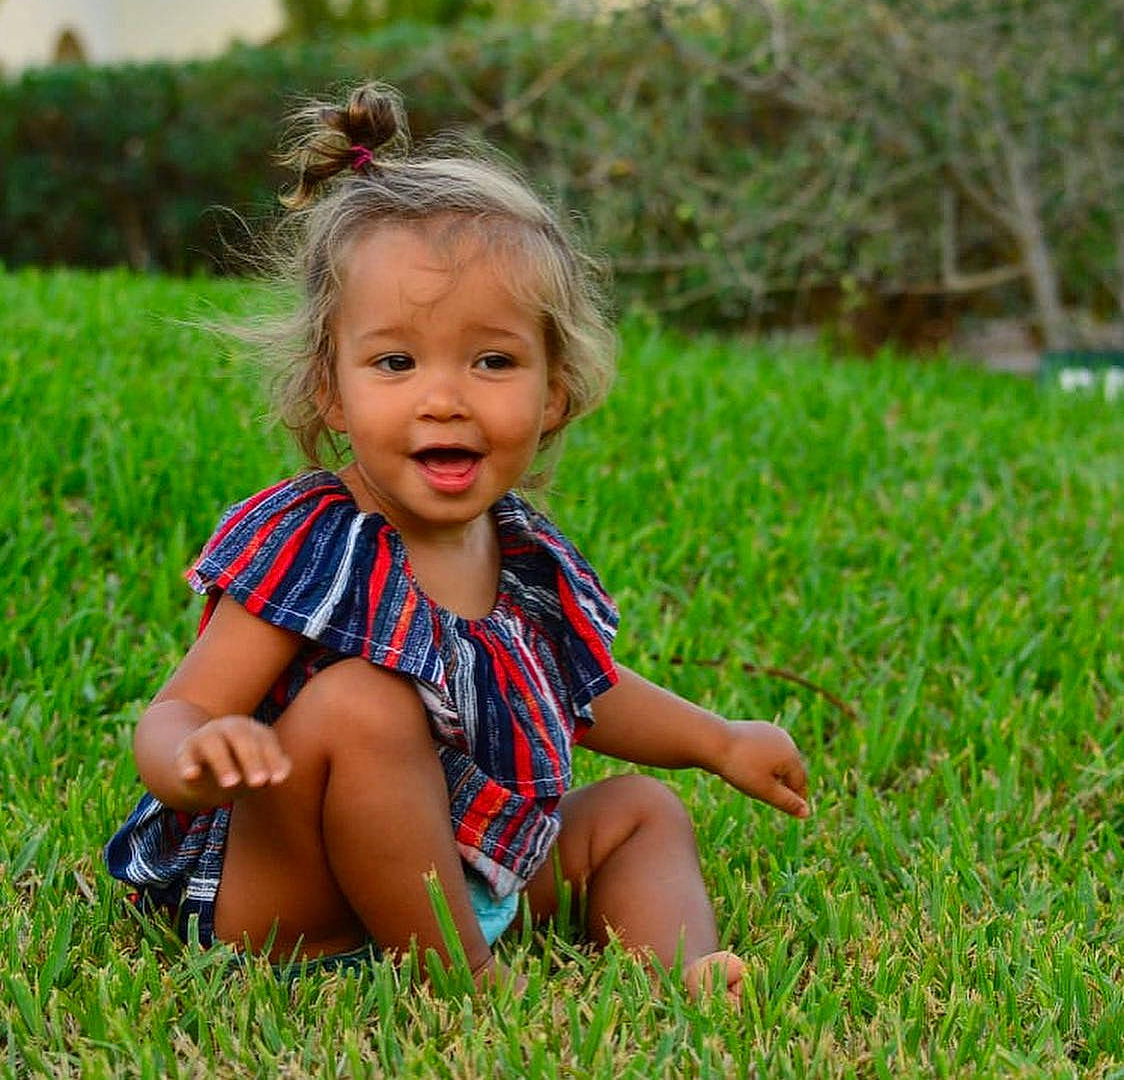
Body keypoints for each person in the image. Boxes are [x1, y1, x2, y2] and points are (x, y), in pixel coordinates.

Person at [105, 81, 810, 1001]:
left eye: (493, 361)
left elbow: (578, 691)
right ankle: (465, 983)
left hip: (463, 860)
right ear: (331, 388)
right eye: (395, 362)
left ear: (553, 392)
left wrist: (716, 740)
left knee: (641, 811)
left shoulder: (519, 552)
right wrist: (196, 759)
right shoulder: (315, 542)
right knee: (360, 700)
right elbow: (174, 713)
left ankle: (682, 972)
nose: (446, 397)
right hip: (294, 900)